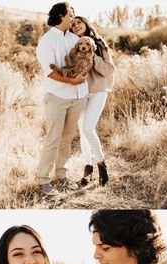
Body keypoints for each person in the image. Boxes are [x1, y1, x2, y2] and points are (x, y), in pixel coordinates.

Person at [36, 2, 90, 197]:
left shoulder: (75, 38)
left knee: (67, 139)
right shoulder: (47, 40)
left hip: (78, 96)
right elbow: (50, 72)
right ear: (60, 16)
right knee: (53, 138)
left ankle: (62, 175)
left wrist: (81, 81)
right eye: (70, 15)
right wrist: (71, 81)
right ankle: (43, 180)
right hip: (57, 96)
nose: (73, 19)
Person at [71, 17, 115, 187]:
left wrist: (92, 56)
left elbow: (109, 69)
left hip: (98, 90)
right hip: (81, 91)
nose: (76, 26)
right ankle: (88, 170)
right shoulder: (74, 45)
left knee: (89, 128)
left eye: (79, 23)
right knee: (83, 131)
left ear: (86, 24)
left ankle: (102, 165)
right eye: (73, 24)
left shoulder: (99, 44)